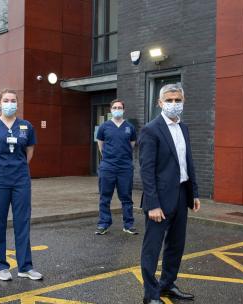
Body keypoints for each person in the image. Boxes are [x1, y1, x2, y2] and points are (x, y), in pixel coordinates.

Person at [139, 84, 200, 303]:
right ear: (160, 103)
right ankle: (151, 294)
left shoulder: (184, 128)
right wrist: (153, 204)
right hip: (159, 200)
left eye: (178, 100)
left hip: (182, 195)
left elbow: (187, 163)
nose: (174, 104)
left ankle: (167, 285)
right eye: (169, 100)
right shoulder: (151, 129)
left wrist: (194, 193)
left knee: (176, 246)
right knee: (152, 249)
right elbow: (146, 171)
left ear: (183, 101)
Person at [0, 89, 43, 281]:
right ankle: (1, 265)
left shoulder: (26, 126)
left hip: (20, 179)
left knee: (22, 221)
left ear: (17, 103)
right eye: (6, 100)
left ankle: (25, 266)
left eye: (13, 100)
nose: (9, 103)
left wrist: (18, 167)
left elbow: (29, 151)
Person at [95, 99, 138, 235]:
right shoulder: (104, 127)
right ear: (111, 110)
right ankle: (104, 224)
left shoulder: (129, 127)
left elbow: (131, 145)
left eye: (119, 107)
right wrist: (109, 157)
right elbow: (100, 145)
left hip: (125, 167)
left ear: (124, 110)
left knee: (126, 197)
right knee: (105, 196)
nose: (117, 109)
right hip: (108, 167)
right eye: (115, 107)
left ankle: (128, 224)